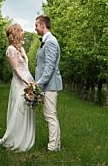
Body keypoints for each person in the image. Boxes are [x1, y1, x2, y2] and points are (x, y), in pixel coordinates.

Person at [0, 22, 35, 151]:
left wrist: (32, 81)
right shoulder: (11, 50)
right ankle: (15, 140)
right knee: (19, 110)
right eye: (21, 30)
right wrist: (26, 82)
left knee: (26, 109)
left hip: (28, 80)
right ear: (16, 33)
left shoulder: (21, 49)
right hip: (20, 83)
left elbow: (26, 68)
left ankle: (25, 139)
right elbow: (16, 69)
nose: (23, 32)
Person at [35, 14, 64, 152]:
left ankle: (53, 147)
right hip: (47, 85)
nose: (35, 29)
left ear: (43, 25)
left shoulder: (51, 41)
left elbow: (49, 67)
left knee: (50, 115)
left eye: (36, 25)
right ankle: (55, 145)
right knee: (49, 115)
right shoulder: (46, 41)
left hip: (50, 85)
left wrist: (38, 85)